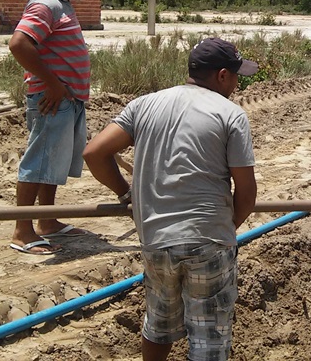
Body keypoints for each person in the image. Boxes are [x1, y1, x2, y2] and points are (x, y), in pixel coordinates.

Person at [83, 37, 258, 361]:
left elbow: (94, 153)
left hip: (155, 240)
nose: (236, 84)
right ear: (222, 76)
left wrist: (126, 192)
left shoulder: (144, 105)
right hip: (208, 242)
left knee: (158, 325)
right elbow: (246, 194)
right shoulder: (230, 115)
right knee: (208, 339)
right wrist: (221, 228)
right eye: (235, 76)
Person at [8, 0, 105, 255]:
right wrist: (52, 84)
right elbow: (19, 44)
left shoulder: (60, 3)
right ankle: (23, 230)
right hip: (53, 99)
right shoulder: (46, 3)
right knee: (38, 162)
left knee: (53, 162)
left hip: (65, 99)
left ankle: (47, 220)